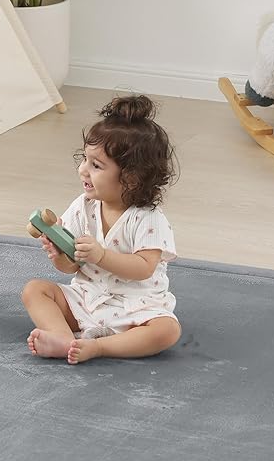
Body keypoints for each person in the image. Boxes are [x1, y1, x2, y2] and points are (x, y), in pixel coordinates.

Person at [22, 94, 181, 365]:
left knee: (167, 330)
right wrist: (59, 253)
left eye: (96, 165)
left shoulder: (148, 218)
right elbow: (72, 267)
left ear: (131, 178)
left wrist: (101, 256)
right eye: (85, 159)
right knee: (34, 290)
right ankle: (64, 338)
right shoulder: (82, 206)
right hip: (87, 298)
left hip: (134, 308)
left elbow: (144, 267)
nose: (83, 170)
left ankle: (99, 347)